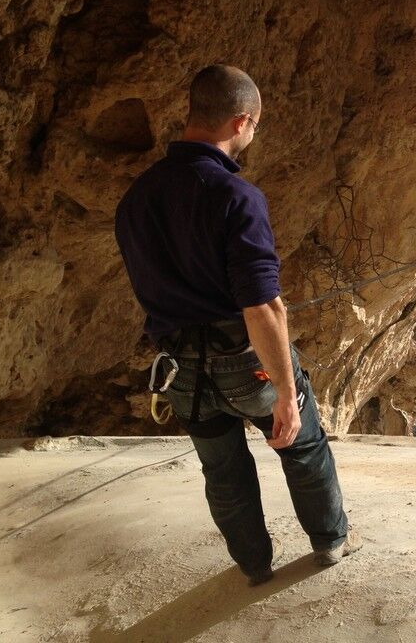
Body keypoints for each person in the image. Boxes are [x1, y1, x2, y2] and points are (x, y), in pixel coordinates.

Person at [114, 65, 359, 587]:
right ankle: (330, 540)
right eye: (254, 126)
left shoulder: (135, 200)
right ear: (240, 120)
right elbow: (262, 308)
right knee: (303, 446)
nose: (252, 136)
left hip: (179, 369)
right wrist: (288, 394)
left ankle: (253, 564)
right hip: (244, 363)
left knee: (223, 472)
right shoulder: (236, 196)